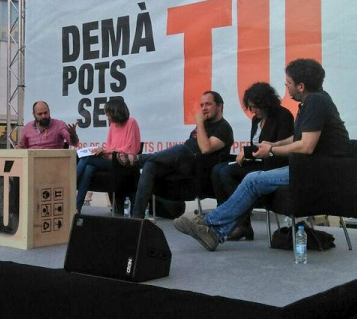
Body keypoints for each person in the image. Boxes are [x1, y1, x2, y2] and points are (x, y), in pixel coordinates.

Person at [174, 59, 349, 251]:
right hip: (313, 168)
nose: (287, 87)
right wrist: (274, 144)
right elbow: (299, 138)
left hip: (317, 172)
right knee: (240, 175)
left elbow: (306, 146)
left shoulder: (315, 102)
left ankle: (208, 224)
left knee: (252, 180)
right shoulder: (317, 100)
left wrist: (271, 150)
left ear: (301, 86)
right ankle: (215, 232)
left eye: (288, 83)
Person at [118, 91, 234, 219]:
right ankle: (137, 218)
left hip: (201, 173)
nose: (204, 108)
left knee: (181, 149)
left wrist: (199, 123)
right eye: (202, 105)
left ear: (219, 106)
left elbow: (205, 149)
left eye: (208, 104)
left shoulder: (224, 128)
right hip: (183, 169)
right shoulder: (203, 124)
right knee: (151, 165)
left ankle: (139, 159)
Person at [211, 82, 293, 241]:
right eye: (250, 107)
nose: (253, 110)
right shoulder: (256, 120)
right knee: (217, 169)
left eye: (255, 106)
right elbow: (256, 147)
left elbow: (277, 147)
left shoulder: (283, 116)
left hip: (274, 164)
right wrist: (247, 153)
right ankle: (232, 220)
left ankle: (240, 225)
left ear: (265, 103)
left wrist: (248, 151)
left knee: (227, 172)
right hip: (259, 161)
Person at [75, 98, 141, 213]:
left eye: (107, 113)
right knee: (89, 167)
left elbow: (131, 149)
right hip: (110, 161)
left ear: (115, 112)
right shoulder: (112, 126)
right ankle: (77, 209)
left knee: (86, 158)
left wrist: (107, 151)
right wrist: (101, 151)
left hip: (122, 163)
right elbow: (110, 148)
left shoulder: (131, 122)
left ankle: (71, 182)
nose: (107, 117)